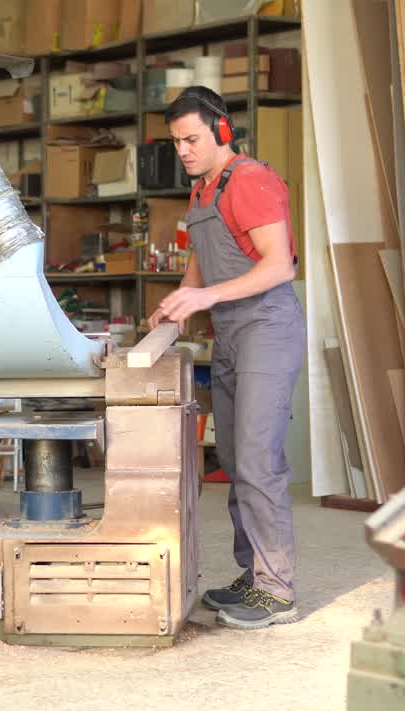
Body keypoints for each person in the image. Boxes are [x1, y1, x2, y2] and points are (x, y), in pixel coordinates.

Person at [149, 86, 306, 629]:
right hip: (231, 333)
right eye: (176, 143)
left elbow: (276, 267)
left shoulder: (253, 182)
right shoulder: (202, 193)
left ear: (221, 131)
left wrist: (206, 298)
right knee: (235, 460)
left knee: (259, 460)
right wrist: (178, 304)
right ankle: (254, 572)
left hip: (267, 327)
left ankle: (278, 589)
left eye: (192, 139)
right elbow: (203, 261)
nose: (184, 151)